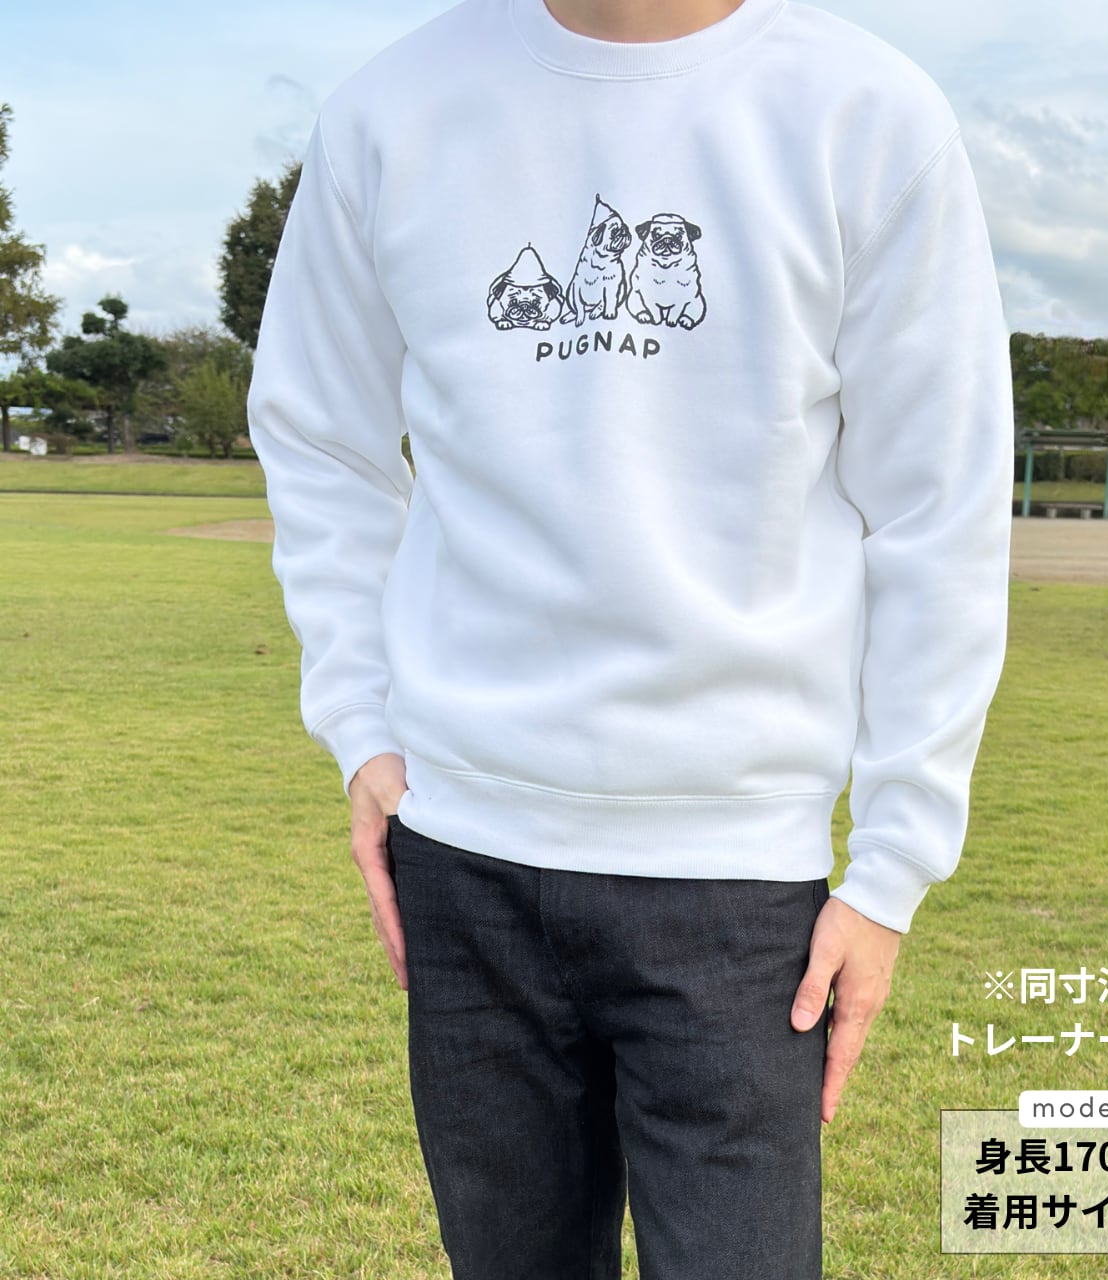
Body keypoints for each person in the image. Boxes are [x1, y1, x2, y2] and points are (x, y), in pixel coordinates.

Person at [246, 0, 1013, 1274]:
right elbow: (319, 433)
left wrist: (890, 866)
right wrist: (360, 718)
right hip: (465, 854)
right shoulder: (391, 110)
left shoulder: (865, 115)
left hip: (737, 881)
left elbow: (939, 507)